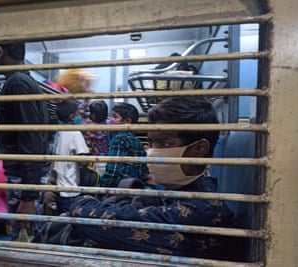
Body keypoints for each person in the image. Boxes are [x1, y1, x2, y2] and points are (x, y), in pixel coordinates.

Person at [68, 97, 244, 260]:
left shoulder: (200, 212)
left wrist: (82, 201)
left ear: (199, 149)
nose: (151, 154)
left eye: (164, 144)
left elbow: (92, 218)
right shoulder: (181, 194)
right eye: (151, 144)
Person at [0, 43, 50, 238]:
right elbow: (27, 128)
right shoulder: (24, 81)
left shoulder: (17, 83)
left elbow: (30, 138)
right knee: (26, 235)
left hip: (24, 176)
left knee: (24, 237)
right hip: (27, 174)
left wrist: (28, 197)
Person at [43, 100, 89, 215]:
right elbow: (82, 161)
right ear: (72, 116)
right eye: (78, 114)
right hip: (70, 190)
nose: (80, 117)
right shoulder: (75, 134)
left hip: (55, 188)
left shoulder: (57, 132)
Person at [99, 103, 149, 187]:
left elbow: (113, 171)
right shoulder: (138, 142)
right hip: (136, 186)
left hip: (120, 187)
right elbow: (143, 171)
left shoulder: (119, 139)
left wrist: (102, 187)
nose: (111, 120)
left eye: (115, 117)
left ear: (127, 121)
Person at [83, 100, 111, 176]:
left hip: (100, 160)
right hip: (109, 158)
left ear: (94, 115)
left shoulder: (92, 127)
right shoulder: (110, 122)